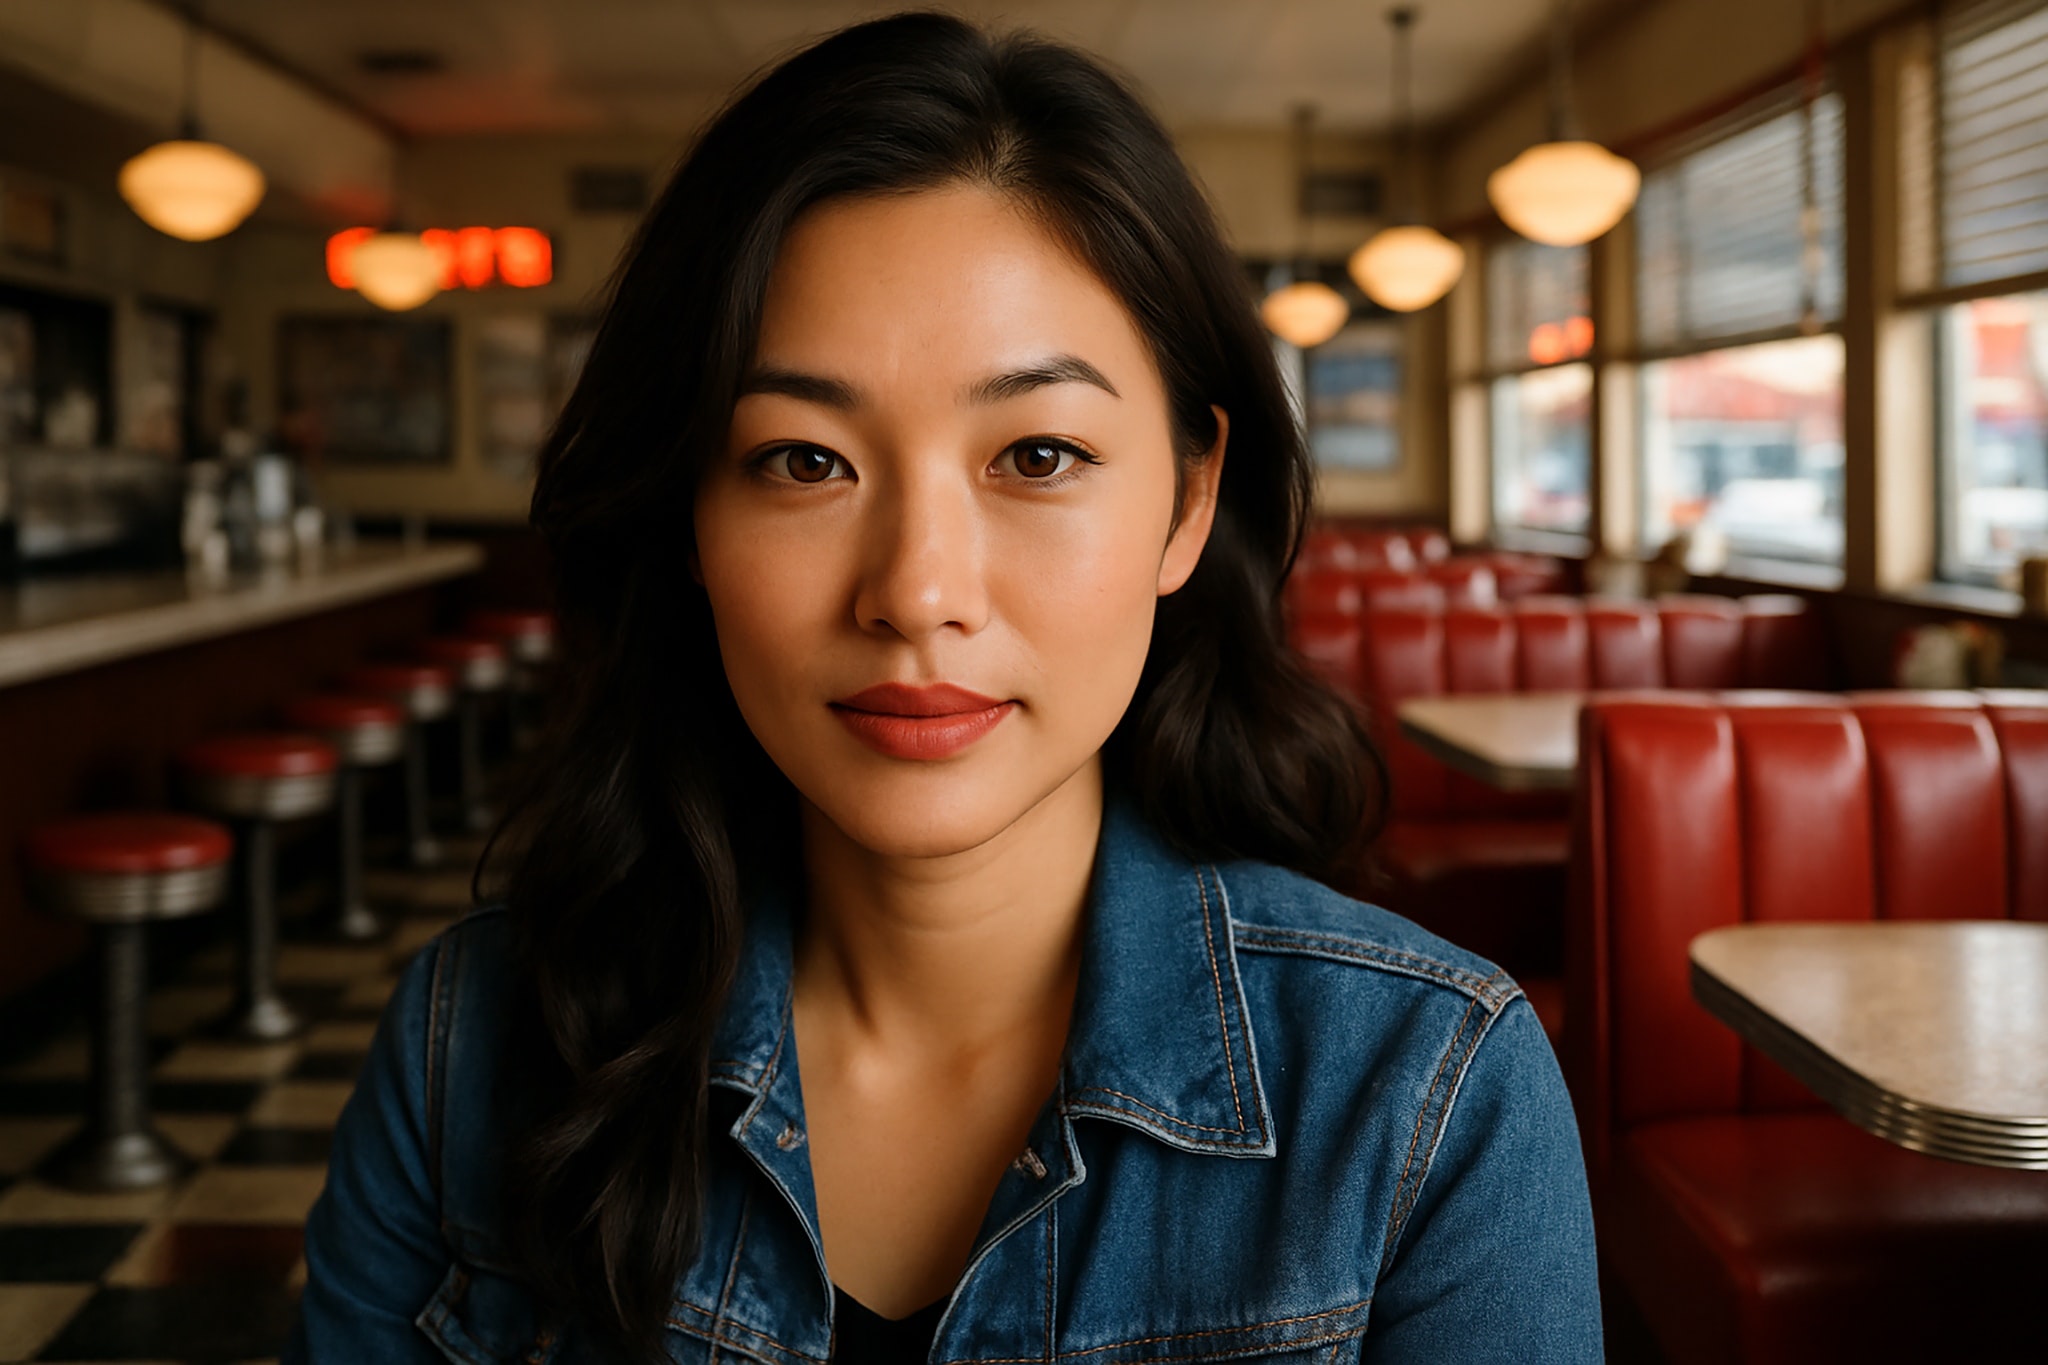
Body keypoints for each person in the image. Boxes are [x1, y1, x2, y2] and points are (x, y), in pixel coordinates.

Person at [285, 12, 1601, 1363]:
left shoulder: (1429, 1095)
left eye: (1035, 453)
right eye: (804, 459)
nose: (916, 590)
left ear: (1188, 498)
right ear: (689, 512)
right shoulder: (468, 1052)